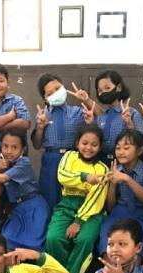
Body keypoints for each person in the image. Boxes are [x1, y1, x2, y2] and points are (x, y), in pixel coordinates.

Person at [45, 124, 109, 273]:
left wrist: (78, 221)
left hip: (91, 211)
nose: (88, 148)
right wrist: (85, 177)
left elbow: (95, 198)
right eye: (84, 143)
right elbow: (63, 176)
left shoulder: (102, 168)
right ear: (77, 143)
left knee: (84, 240)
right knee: (53, 238)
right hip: (66, 205)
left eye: (94, 144)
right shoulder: (69, 156)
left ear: (100, 147)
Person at [30, 73, 96, 209]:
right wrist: (40, 127)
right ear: (45, 98)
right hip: (51, 159)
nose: (55, 93)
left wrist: (90, 120)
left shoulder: (78, 112)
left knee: (73, 199)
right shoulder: (43, 115)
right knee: (50, 199)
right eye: (49, 93)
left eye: (57, 88)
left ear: (64, 88)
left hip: (73, 159)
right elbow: (36, 145)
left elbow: (93, 132)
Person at [97, 129, 143, 257]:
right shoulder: (115, 169)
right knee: (106, 234)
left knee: (142, 237)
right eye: (118, 148)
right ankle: (108, 268)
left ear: (139, 151)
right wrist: (112, 184)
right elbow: (111, 206)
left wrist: (127, 179)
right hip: (119, 212)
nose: (121, 152)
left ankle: (134, 269)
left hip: (141, 213)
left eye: (126, 148)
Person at [94, 70, 143, 161]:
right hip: (101, 161)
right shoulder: (101, 117)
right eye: (100, 90)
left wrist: (129, 123)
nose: (103, 92)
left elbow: (141, 143)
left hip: (124, 162)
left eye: (107, 88)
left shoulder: (132, 113)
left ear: (119, 87)